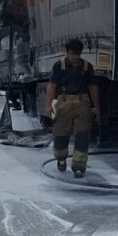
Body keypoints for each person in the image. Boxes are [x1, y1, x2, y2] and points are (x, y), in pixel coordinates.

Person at [45, 38, 100, 178]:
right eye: (72, 54)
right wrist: (49, 106)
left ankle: (79, 167)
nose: (75, 57)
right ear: (67, 52)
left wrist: (96, 107)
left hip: (83, 104)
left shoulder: (87, 67)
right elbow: (51, 87)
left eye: (78, 54)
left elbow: (93, 88)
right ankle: (61, 158)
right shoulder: (59, 66)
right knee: (61, 136)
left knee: (82, 135)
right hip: (64, 104)